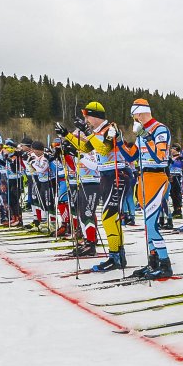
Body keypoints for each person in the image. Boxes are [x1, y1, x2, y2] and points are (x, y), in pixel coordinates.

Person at [62, 101, 131, 272]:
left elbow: (103, 149)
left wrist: (87, 132)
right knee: (110, 217)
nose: (86, 120)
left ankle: (116, 256)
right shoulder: (97, 132)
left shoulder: (110, 129)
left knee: (109, 217)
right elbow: (85, 147)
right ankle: (117, 255)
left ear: (95, 116)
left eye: (87, 117)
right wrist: (67, 135)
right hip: (106, 176)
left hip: (117, 175)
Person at [124, 98, 175, 279]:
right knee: (148, 225)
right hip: (144, 178)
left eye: (134, 115)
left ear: (139, 113)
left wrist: (146, 136)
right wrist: (118, 141)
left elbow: (160, 156)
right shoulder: (142, 131)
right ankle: (153, 261)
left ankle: (165, 263)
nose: (134, 119)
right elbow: (131, 157)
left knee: (151, 225)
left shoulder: (160, 129)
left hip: (157, 178)